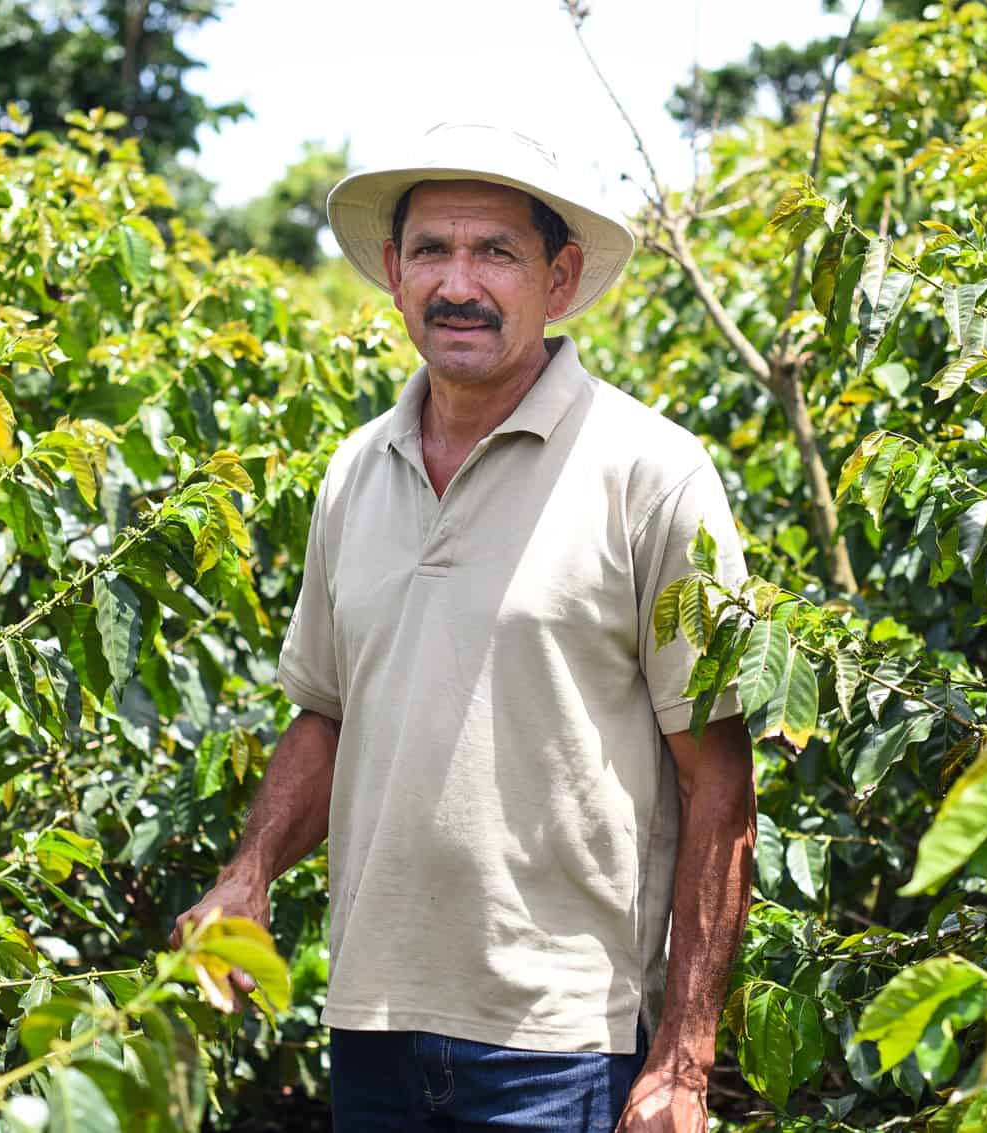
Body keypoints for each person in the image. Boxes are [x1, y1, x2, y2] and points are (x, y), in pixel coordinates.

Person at [171, 122, 756, 1133]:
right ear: (393, 274)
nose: (458, 283)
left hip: (555, 1043)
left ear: (558, 278)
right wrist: (247, 871)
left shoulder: (649, 473)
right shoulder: (356, 470)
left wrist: (684, 1062)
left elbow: (719, 780)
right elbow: (327, 711)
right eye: (432, 250)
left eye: (495, 252)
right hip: (367, 1025)